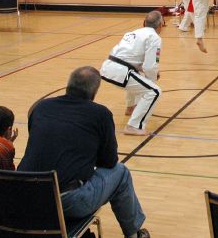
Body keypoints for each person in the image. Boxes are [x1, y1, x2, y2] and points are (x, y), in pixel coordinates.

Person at [18, 66, 149, 238]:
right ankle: (134, 235)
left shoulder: (41, 107)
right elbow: (109, 161)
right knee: (121, 172)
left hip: (25, 194)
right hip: (67, 200)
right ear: (94, 92)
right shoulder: (100, 114)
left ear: (68, 85)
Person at [100, 11, 163, 136]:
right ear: (160, 25)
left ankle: (131, 107)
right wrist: (152, 79)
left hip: (107, 67)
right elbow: (150, 66)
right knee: (154, 91)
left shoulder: (132, 33)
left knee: (135, 76)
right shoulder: (154, 37)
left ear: (144, 23)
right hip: (121, 71)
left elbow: (130, 59)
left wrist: (146, 73)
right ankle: (134, 126)